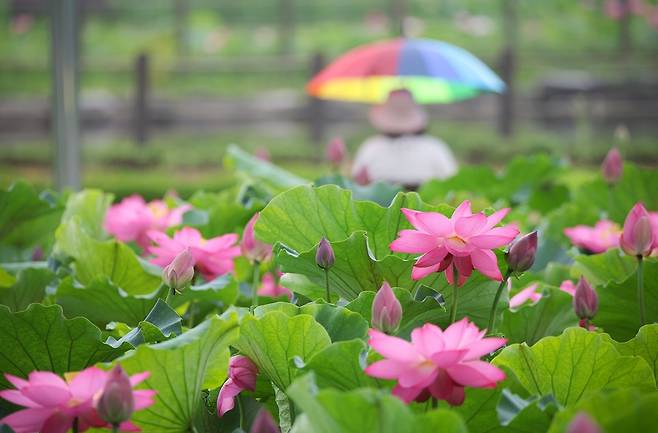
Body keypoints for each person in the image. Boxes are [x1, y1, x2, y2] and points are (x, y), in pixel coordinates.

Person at [351, 89, 458, 188]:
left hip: (381, 204)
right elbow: (451, 179)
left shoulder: (371, 146)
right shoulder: (434, 146)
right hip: (427, 204)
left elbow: (358, 179)